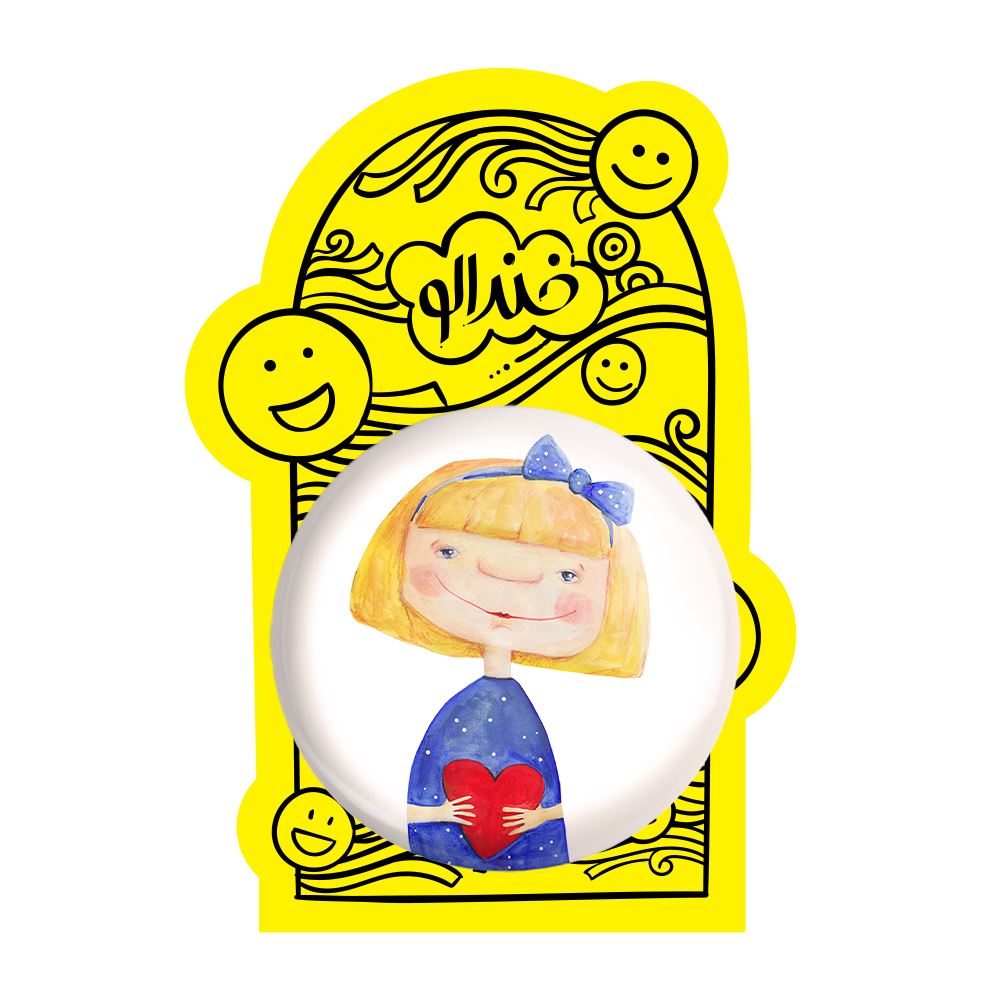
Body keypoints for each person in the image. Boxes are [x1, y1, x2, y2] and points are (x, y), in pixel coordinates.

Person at [350, 435, 649, 870]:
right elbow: (414, 804)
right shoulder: (470, 710)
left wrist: (537, 817)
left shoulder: (510, 712)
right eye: (449, 551)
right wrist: (442, 814)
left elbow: (552, 805)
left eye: (567, 574)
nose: (508, 580)